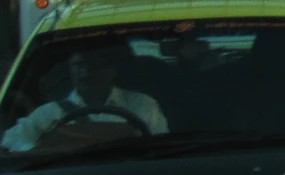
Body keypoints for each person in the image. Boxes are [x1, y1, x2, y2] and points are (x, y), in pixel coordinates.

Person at [3, 49, 169, 151]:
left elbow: (161, 148)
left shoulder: (143, 105)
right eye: (80, 65)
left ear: (112, 70)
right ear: (71, 70)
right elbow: (8, 145)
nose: (87, 71)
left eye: (95, 65)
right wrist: (42, 151)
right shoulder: (49, 114)